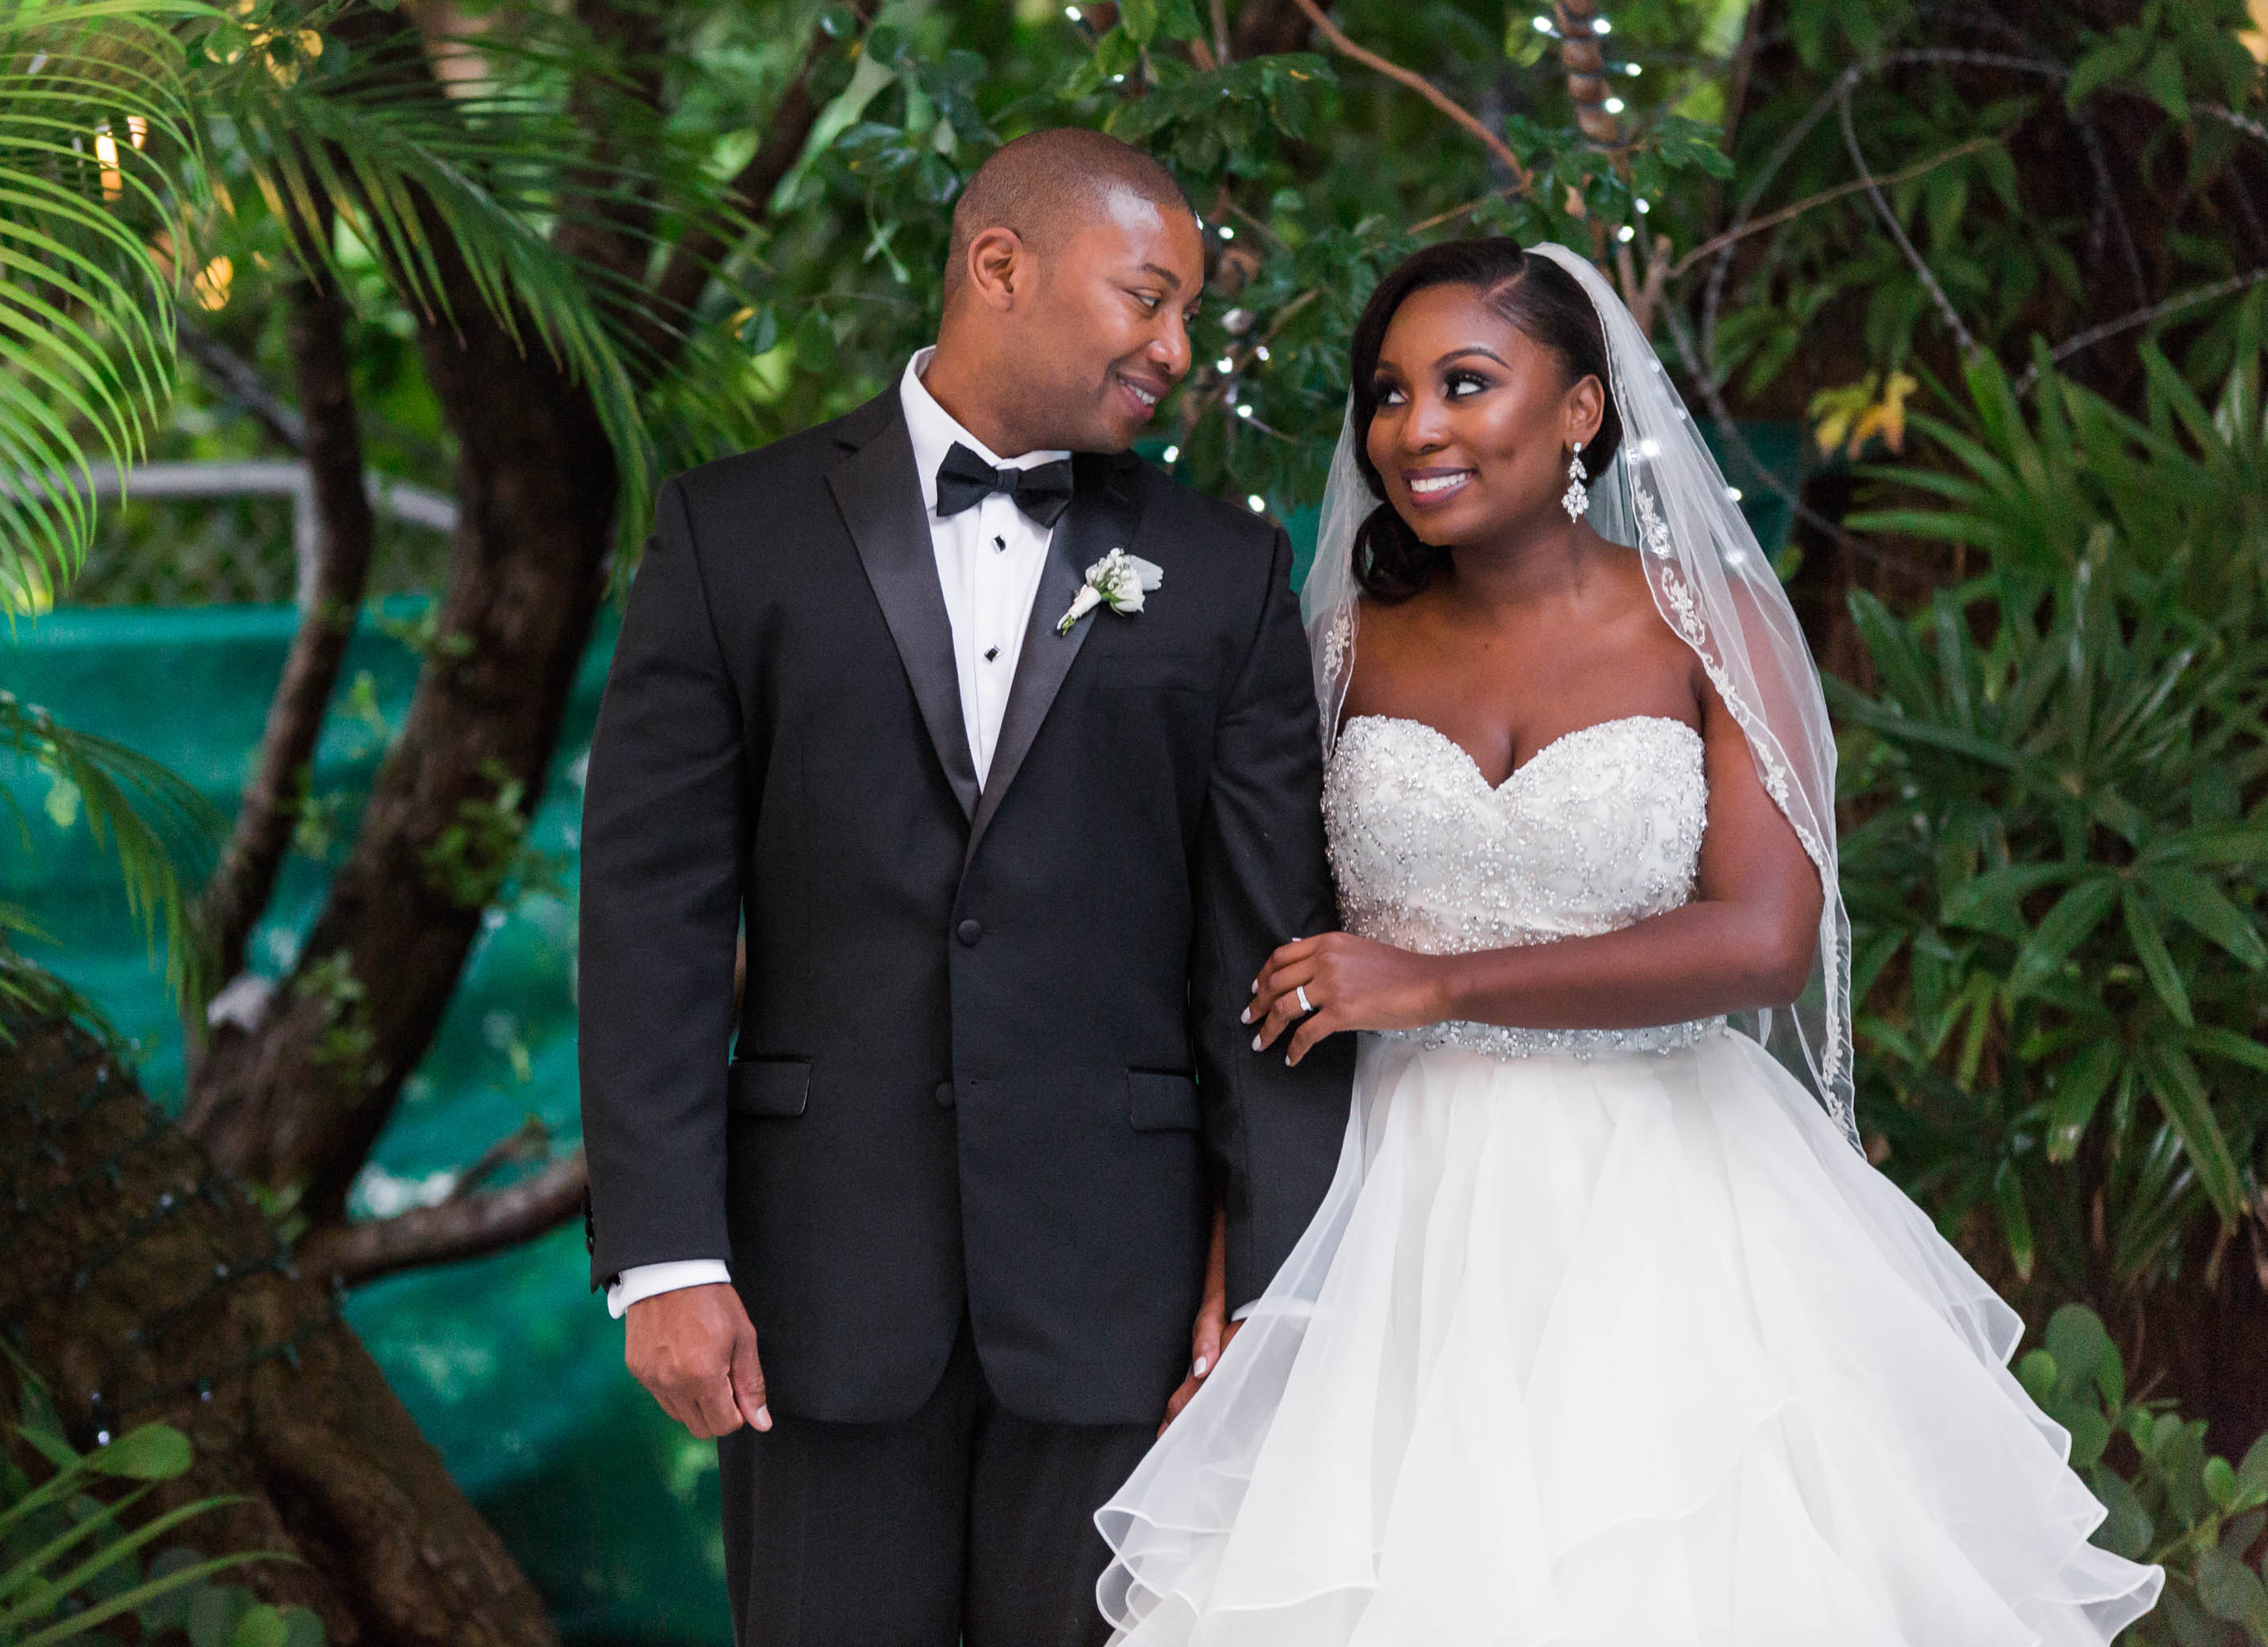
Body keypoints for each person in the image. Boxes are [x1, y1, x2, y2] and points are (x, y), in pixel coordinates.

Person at [1094, 236, 2165, 1645]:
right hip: (1387, 1208)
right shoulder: (1339, 641)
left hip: (1661, 1194)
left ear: (1582, 412)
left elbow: (1764, 940)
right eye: (1390, 394)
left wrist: (1437, 982)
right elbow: (1267, 958)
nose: (1415, 429)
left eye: (1466, 384)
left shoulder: (1709, 628)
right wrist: (1244, 1267)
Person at [576, 127, 1352, 1645]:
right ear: (1000, 266)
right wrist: (665, 1256)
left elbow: (1263, 954)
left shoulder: (1227, 570)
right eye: (1150, 298)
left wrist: (1267, 1292)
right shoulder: (730, 534)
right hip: (813, 1289)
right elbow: (652, 911)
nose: (1178, 349)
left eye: (1191, 314)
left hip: (1120, 1307)